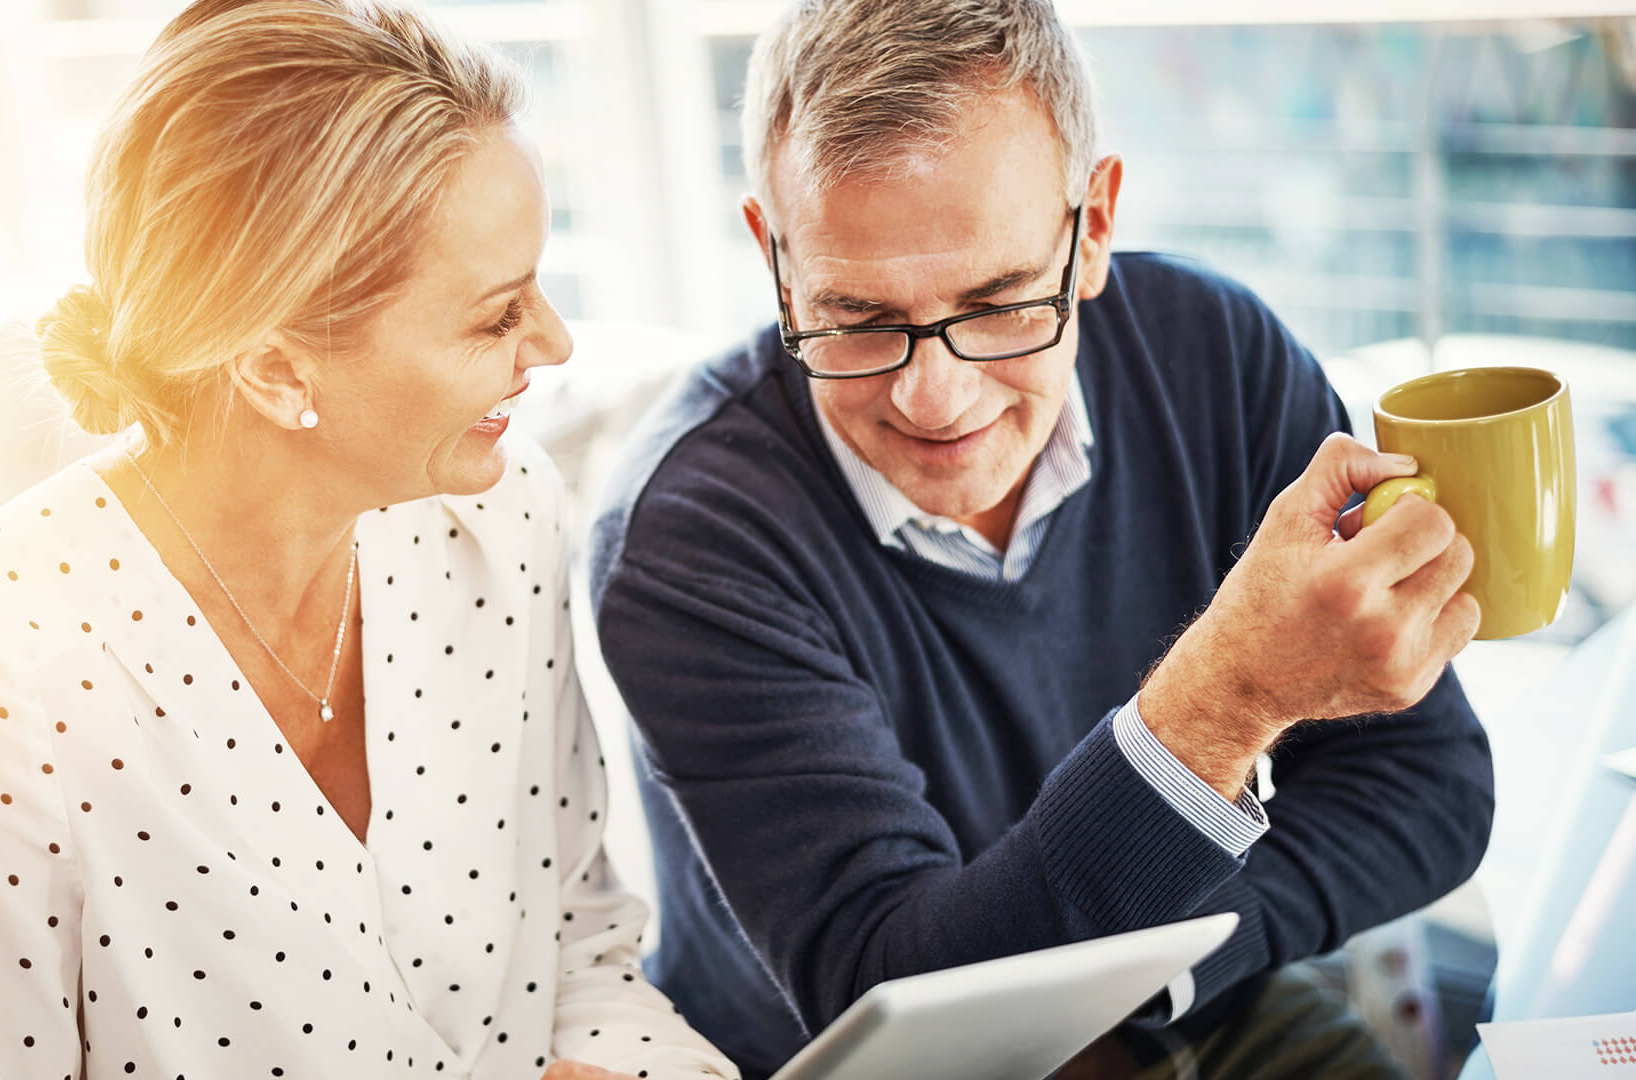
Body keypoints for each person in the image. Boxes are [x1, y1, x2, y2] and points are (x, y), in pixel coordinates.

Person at [588, 1, 1493, 1077]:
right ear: (777, 262)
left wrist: (1153, 979)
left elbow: (1431, 785)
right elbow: (902, 1002)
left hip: (1210, 1002)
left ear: (1094, 225)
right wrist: (1224, 700)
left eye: (1001, 301)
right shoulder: (687, 537)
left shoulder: (1217, 354)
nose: (934, 395)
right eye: (859, 317)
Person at [0, 2, 737, 1078]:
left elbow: (584, 958)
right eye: (495, 315)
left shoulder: (501, 517)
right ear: (276, 369)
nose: (553, 343)